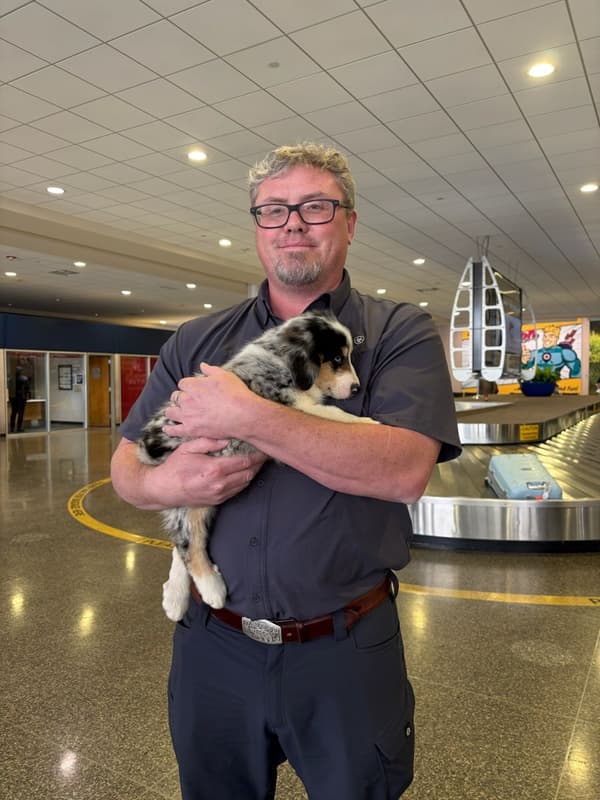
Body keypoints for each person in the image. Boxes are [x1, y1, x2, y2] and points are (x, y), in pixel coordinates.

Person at [111, 143, 461, 800]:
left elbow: (405, 470)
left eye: (315, 206)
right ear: (257, 228)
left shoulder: (398, 333)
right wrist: (172, 485)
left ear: (349, 223)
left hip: (345, 650)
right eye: (274, 210)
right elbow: (129, 468)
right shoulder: (195, 341)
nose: (292, 223)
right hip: (213, 647)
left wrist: (246, 413)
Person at [9, 365, 31, 433]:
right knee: (20, 413)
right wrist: (27, 396)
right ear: (21, 371)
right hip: (21, 397)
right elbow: (27, 389)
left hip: (13, 397)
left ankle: (12, 428)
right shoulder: (24, 378)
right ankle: (19, 428)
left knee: (13, 413)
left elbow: (10, 388)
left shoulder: (11, 379)